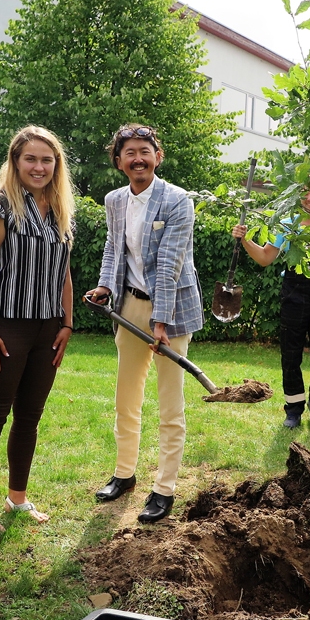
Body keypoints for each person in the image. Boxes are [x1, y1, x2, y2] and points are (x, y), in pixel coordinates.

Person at [86, 124, 203, 523]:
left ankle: (164, 488)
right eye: (129, 152)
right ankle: (124, 474)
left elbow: (170, 264)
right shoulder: (115, 200)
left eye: (145, 151)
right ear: (119, 162)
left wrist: (161, 321)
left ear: (158, 156)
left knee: (170, 403)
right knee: (126, 397)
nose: (138, 158)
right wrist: (105, 286)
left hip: (170, 313)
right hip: (129, 307)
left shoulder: (177, 201)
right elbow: (112, 246)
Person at [0, 126, 75, 535]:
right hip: (6, 325)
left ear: (56, 165)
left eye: (47, 160)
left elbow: (64, 273)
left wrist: (67, 322)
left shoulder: (60, 209)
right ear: (15, 162)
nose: (39, 166)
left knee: (29, 417)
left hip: (48, 329)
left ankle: (18, 498)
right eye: (31, 159)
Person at [230, 182, 310, 428]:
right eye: (304, 193)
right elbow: (265, 258)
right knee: (290, 357)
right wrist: (244, 239)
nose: (309, 198)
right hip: (294, 298)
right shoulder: (288, 225)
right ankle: (294, 410)